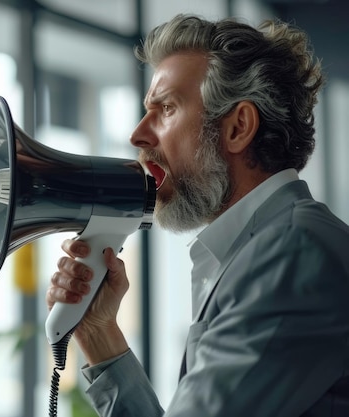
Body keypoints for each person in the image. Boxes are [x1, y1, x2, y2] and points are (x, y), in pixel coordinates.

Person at [46, 13, 349, 417]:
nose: (137, 135)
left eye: (166, 107)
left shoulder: (294, 251)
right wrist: (98, 334)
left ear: (238, 127)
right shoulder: (261, 250)